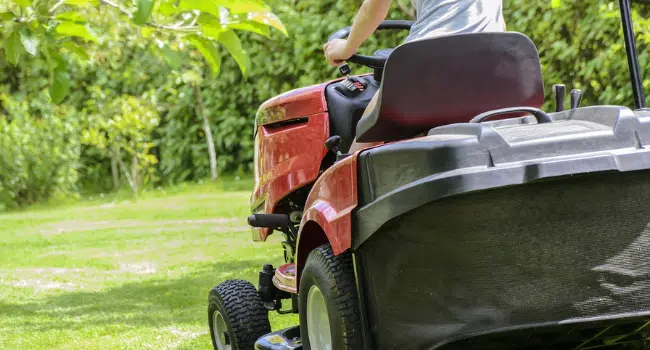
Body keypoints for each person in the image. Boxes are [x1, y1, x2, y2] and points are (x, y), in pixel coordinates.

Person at [323, 0, 506, 153]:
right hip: (497, 67)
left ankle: (349, 193)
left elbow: (374, 8)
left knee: (367, 132)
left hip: (430, 64)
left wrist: (346, 48)